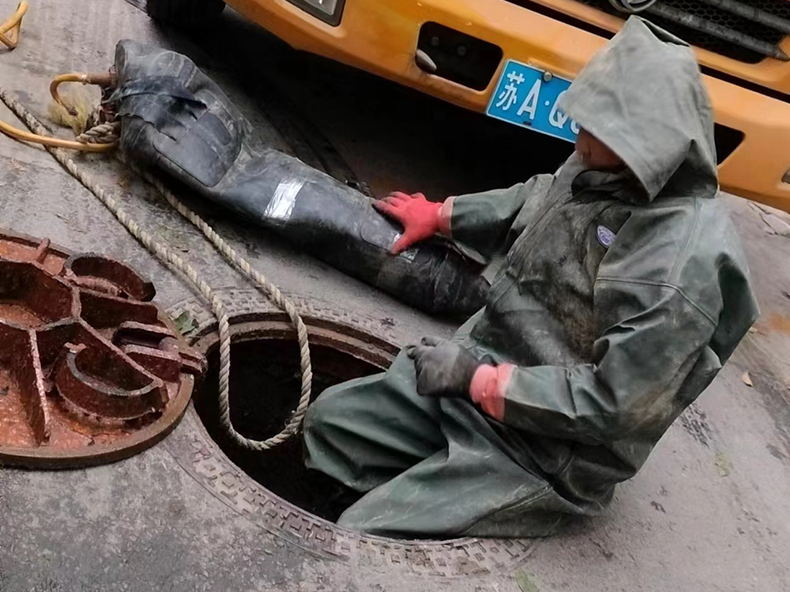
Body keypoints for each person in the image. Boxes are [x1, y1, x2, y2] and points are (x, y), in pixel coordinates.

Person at [302, 17, 759, 538]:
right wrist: (442, 215)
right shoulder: (604, 166)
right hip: (486, 366)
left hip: (544, 451)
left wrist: (480, 381)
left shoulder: (677, 270)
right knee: (331, 425)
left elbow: (614, 403)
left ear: (645, 145)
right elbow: (536, 196)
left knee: (367, 531)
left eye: (595, 128)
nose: (578, 137)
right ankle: (364, 486)